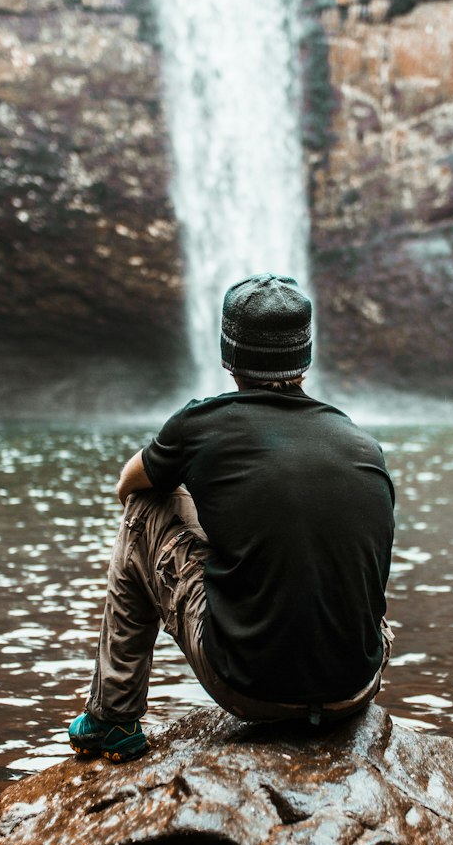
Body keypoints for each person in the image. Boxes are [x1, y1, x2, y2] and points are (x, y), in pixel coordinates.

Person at [68, 273, 396, 762]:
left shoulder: (201, 424)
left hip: (251, 689)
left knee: (144, 511)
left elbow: (128, 487)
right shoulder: (360, 443)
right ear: (305, 358)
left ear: (228, 356)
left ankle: (112, 718)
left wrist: (202, 498)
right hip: (358, 685)